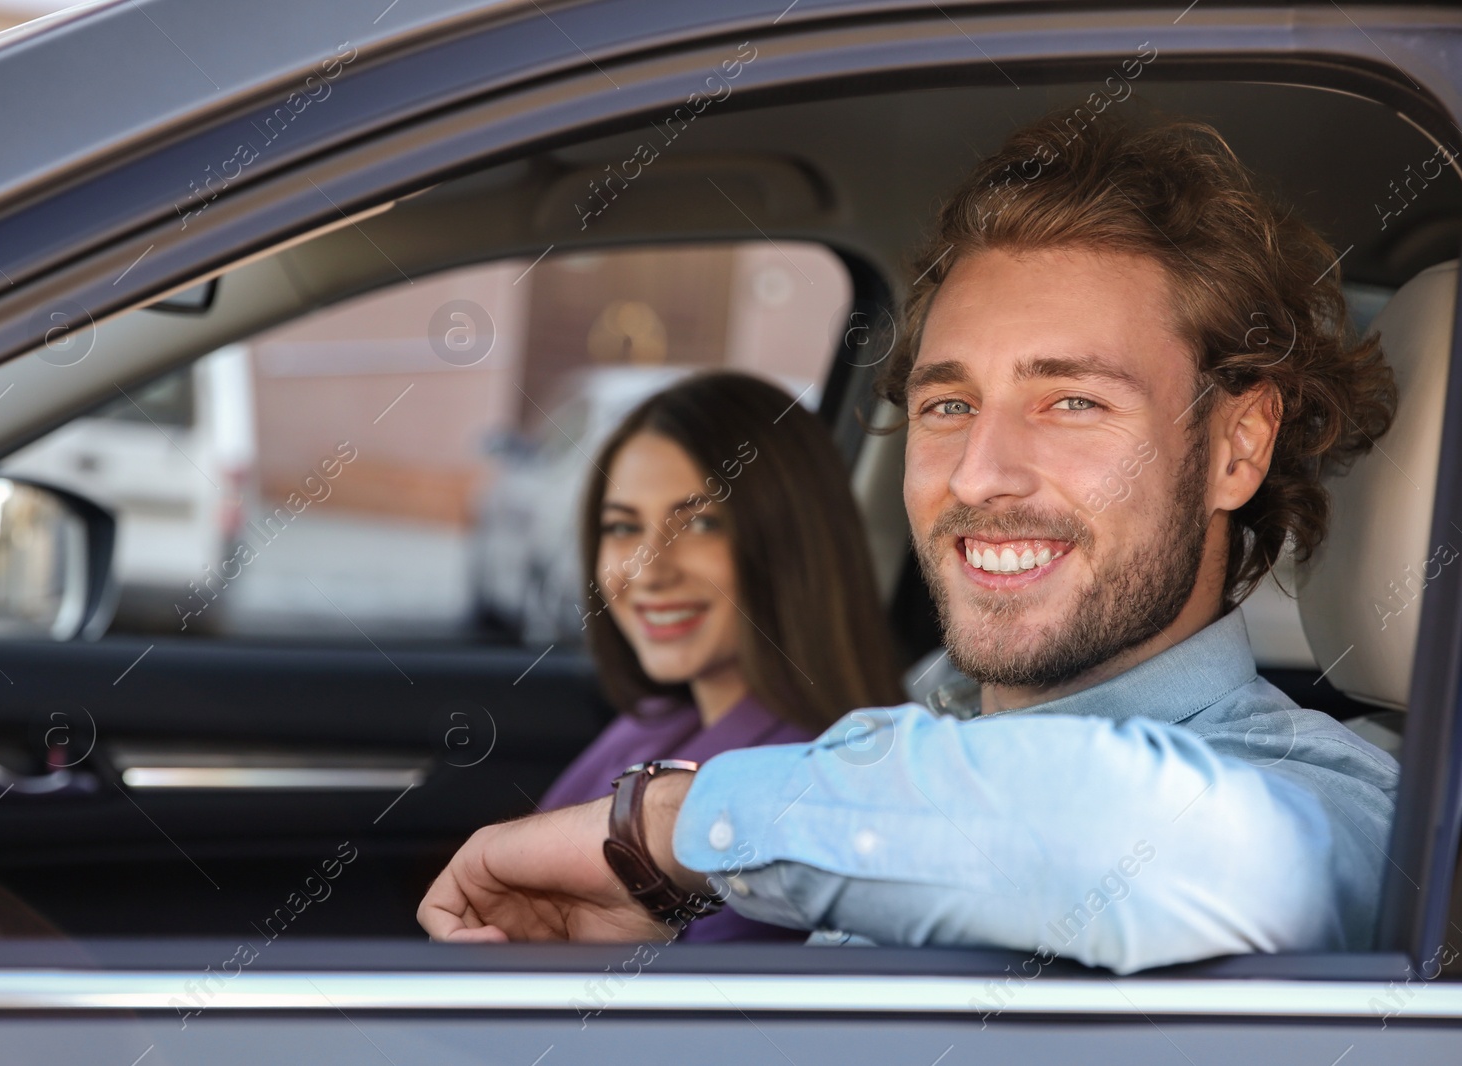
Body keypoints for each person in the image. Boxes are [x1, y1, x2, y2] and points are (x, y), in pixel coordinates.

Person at [417, 112, 1402, 973]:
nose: (976, 474)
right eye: (947, 403)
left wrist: (666, 830)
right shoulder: (914, 733)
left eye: (1071, 400)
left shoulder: (1341, 800)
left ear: (1237, 445)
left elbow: (1147, 836)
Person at [538, 371, 905, 941]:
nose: (648, 570)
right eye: (623, 526)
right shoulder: (656, 724)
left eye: (701, 524)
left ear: (790, 543)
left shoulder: (800, 792)